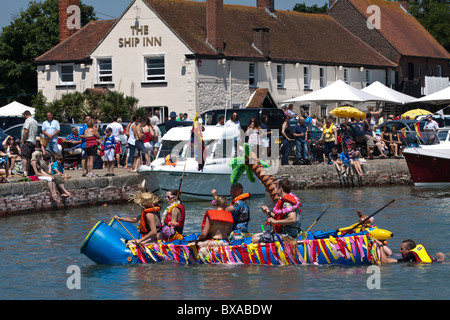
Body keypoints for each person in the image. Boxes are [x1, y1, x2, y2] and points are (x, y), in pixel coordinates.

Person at [251, 179, 302, 243]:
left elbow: (292, 219)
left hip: (287, 235)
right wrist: (268, 212)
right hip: (284, 232)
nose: (276, 191)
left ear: (281, 189)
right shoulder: (286, 200)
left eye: (277, 189)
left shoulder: (287, 203)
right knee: (254, 236)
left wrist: (275, 221)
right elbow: (282, 216)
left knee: (254, 240)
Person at [379, 239, 446, 264]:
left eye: (402, 249)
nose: (400, 251)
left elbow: (385, 261)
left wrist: (380, 246)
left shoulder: (409, 260)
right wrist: (441, 256)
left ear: (408, 250)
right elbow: (439, 261)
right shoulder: (417, 257)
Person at [20, 110, 38, 176]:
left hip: (27, 141)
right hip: (33, 141)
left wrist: (22, 141)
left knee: (24, 157)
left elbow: (26, 131)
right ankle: (31, 172)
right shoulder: (35, 121)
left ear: (25, 115)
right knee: (30, 157)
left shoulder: (27, 120)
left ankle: (25, 172)